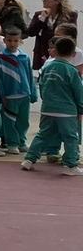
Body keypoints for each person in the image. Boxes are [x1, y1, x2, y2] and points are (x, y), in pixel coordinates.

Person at [21, 36, 83, 175]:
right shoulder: (72, 71)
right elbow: (79, 92)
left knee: (42, 135)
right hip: (67, 112)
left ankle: (29, 160)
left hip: (48, 109)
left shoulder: (47, 67)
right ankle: (71, 165)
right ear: (73, 54)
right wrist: (81, 109)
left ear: (55, 51)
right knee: (71, 137)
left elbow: (41, 86)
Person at [0, 28, 37, 154]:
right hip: (9, 95)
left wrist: (33, 92)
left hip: (24, 94)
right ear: (5, 40)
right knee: (9, 120)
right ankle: (11, 143)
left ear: (20, 41)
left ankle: (21, 142)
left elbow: (30, 75)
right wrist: (2, 95)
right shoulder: (0, 58)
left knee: (23, 120)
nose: (12, 43)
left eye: (15, 41)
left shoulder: (24, 57)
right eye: (9, 40)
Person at [27, 0, 77, 70]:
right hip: (42, 52)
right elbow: (31, 32)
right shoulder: (39, 14)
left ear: (57, 1)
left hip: (62, 51)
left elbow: (71, 33)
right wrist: (42, 19)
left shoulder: (70, 15)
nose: (44, 0)